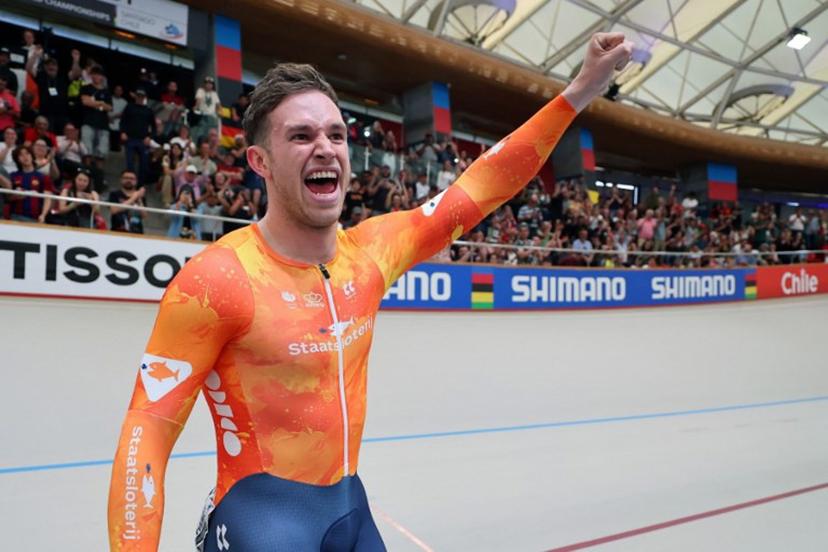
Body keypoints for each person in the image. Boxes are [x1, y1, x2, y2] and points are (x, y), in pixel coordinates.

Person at [107, 32, 632, 551]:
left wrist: (580, 91)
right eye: (301, 136)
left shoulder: (369, 253)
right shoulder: (217, 279)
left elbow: (482, 185)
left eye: (336, 135)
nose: (325, 148)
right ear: (259, 162)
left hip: (348, 509)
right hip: (261, 521)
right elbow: (147, 429)